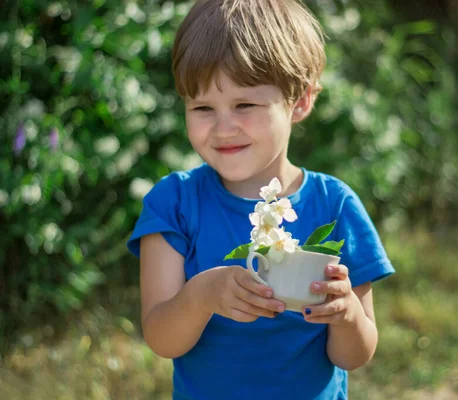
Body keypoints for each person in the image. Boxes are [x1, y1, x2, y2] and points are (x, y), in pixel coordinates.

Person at [126, 0, 395, 398]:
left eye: (245, 104)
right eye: (202, 107)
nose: (223, 128)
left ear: (299, 101)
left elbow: (355, 355)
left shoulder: (334, 205)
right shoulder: (174, 204)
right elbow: (162, 340)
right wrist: (203, 295)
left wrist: (345, 315)